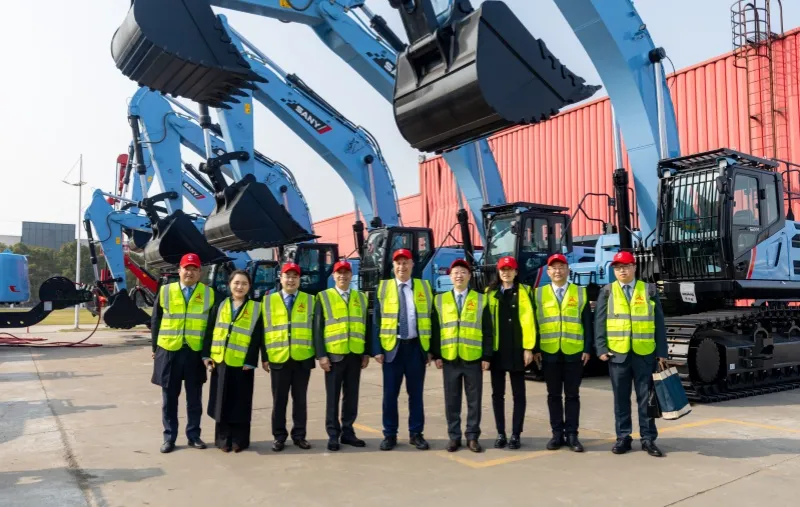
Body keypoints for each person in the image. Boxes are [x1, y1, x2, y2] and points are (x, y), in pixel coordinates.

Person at [594, 251, 668, 457]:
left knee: (646, 399)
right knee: (621, 399)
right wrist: (601, 348)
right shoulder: (607, 291)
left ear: (634, 267)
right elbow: (599, 321)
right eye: (618, 268)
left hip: (644, 353)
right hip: (617, 354)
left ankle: (648, 438)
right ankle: (623, 437)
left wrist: (662, 351)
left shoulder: (648, 290)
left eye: (626, 266)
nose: (622, 271)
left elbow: (659, 322)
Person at [150, 253, 214, 453]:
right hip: (169, 351)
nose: (190, 272)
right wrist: (155, 348)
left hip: (195, 352)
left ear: (200, 273)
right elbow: (156, 320)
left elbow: (211, 327)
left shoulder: (209, 294)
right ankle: (169, 437)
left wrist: (207, 353)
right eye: (187, 268)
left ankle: (193, 435)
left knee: (194, 399)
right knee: (169, 399)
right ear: (179, 270)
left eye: (195, 269)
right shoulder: (166, 291)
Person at [372, 248, 434, 451]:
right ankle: (390, 434)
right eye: (398, 263)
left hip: (416, 348)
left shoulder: (424, 287)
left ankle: (416, 433)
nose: (402, 266)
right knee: (390, 395)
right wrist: (377, 349)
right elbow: (376, 320)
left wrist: (430, 349)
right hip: (392, 349)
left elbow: (432, 318)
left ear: (412, 264)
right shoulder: (383, 288)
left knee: (416, 394)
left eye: (406, 262)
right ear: (393, 266)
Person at [532, 254, 593, 452]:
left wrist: (587, 348)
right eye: (554, 268)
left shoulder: (580, 292)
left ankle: (572, 435)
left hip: (574, 351)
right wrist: (535, 348)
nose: (557, 271)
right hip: (549, 352)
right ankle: (557, 434)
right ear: (548, 272)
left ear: (568, 270)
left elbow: (587, 322)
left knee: (572, 395)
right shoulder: (538, 294)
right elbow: (534, 323)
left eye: (561, 267)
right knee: (553, 395)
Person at [431, 258, 493, 453]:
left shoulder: (481, 299)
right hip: (449, 358)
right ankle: (454, 437)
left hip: (473, 358)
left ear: (469, 276)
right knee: (452, 400)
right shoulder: (439, 300)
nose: (459, 276)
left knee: (474, 401)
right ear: (450, 276)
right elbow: (436, 329)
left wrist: (486, 356)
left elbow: (488, 330)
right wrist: (436, 355)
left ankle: (472, 436)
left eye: (463, 272)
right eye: (455, 272)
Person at [202, 269, 263, 453]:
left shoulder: (256, 308)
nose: (240, 287)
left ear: (249, 286)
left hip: (242, 363)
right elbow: (210, 330)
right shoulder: (220, 305)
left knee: (240, 402)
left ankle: (239, 441)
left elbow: (257, 337)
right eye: (236, 283)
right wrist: (206, 355)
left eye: (244, 283)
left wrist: (251, 361)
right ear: (229, 285)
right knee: (221, 402)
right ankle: (223, 440)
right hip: (220, 361)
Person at [313, 260, 370, 451]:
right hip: (334, 356)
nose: (343, 276)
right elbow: (318, 328)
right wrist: (321, 355)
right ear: (334, 276)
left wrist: (366, 352)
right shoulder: (323, 297)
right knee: (333, 397)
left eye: (346, 273)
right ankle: (332, 434)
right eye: (339, 273)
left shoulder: (360, 297)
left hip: (355, 354)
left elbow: (366, 326)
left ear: (351, 275)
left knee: (351, 396)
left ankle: (348, 432)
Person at [261, 262, 316, 452]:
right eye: (287, 276)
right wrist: (265, 356)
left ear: (299, 279)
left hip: (302, 358)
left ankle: (299, 435)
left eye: (295, 276)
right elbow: (263, 330)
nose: (291, 280)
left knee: (300, 400)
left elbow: (316, 329)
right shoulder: (268, 301)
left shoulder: (310, 300)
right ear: (281, 278)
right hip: (278, 357)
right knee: (279, 401)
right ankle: (279, 436)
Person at [485, 256, 535, 450]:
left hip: (517, 350)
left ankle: (516, 434)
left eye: (510, 269)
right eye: (503, 269)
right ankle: (501, 433)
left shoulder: (525, 291)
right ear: (498, 272)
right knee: (497, 394)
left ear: (516, 272)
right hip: (497, 351)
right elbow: (486, 324)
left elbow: (530, 321)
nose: (506, 273)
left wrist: (529, 347)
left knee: (518, 394)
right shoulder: (489, 293)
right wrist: (486, 353)